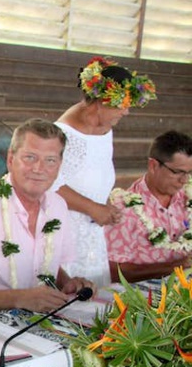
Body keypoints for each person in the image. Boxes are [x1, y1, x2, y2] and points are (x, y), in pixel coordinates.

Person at [0, 118, 93, 315]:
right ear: (10, 159)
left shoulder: (58, 206)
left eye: (50, 160)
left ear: (59, 166)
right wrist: (21, 298)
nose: (39, 169)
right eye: (30, 157)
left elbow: (46, 264)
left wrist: (69, 283)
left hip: (34, 322)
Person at [52, 56, 156, 287]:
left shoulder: (105, 128)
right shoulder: (63, 134)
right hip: (65, 228)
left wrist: (105, 205)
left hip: (92, 230)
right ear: (100, 101)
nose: (126, 112)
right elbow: (49, 184)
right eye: (122, 104)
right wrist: (93, 208)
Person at [106, 131, 192, 283]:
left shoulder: (188, 197)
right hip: (144, 297)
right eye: (178, 172)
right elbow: (113, 271)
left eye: (189, 173)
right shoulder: (124, 209)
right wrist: (176, 266)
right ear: (153, 165)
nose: (184, 180)